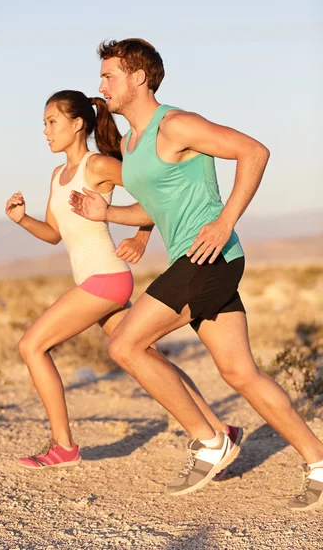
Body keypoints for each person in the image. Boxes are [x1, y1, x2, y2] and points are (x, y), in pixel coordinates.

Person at [69, 39, 323, 510]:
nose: (100, 86)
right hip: (194, 261)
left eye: (109, 76)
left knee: (125, 344)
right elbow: (155, 205)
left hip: (209, 257)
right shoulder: (132, 143)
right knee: (238, 372)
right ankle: (319, 461)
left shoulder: (177, 125)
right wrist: (108, 213)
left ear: (138, 78)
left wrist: (224, 221)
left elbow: (255, 152)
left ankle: (210, 440)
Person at [5, 89, 240, 472]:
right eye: (44, 124)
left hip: (107, 279)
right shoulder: (57, 176)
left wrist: (141, 235)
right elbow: (53, 233)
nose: (46, 131)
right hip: (96, 279)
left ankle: (63, 446)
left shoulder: (97, 166)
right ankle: (219, 427)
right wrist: (22, 219)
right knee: (146, 355)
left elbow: (153, 197)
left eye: (52, 122)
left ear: (78, 124)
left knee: (31, 345)